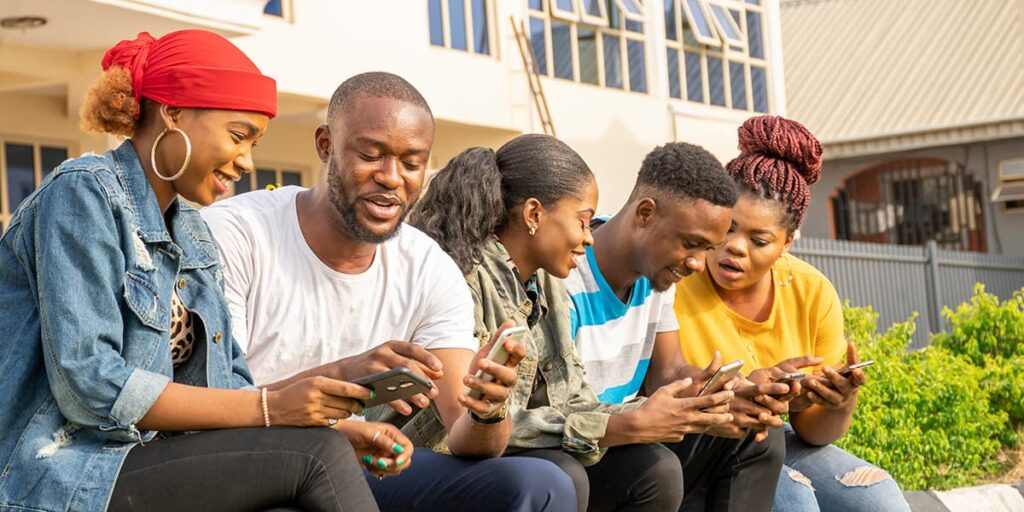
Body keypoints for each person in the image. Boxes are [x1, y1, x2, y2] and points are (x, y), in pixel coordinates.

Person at [0, 31, 395, 512]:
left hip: (145, 459)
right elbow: (90, 386)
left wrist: (330, 424)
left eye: (254, 141)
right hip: (63, 471)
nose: (247, 161)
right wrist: (275, 412)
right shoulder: (84, 193)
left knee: (309, 467)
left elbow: (226, 390)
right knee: (315, 458)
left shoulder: (195, 235)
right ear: (173, 112)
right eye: (238, 135)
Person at [201, 72, 576, 512]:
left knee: (542, 484)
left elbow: (468, 437)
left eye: (412, 163)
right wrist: (347, 373)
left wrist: (486, 410)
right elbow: (213, 404)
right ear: (325, 145)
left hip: (351, 461)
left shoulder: (428, 266)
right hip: (246, 464)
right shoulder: (234, 234)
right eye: (370, 155)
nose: (391, 177)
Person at [410, 134, 740, 512]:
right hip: (434, 459)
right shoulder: (464, 279)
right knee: (563, 471)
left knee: (654, 467)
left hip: (498, 449)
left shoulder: (547, 283)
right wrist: (626, 425)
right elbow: (468, 432)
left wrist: (647, 413)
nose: (589, 238)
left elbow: (572, 398)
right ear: (534, 215)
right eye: (583, 222)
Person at [674, 115, 911, 512]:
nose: (735, 247)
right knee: (793, 501)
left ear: (787, 242)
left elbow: (814, 435)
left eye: (759, 240)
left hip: (775, 438)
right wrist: (746, 388)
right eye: (728, 228)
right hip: (695, 441)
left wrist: (837, 403)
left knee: (879, 498)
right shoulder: (679, 274)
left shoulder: (811, 291)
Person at [564, 142, 788, 511]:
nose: (699, 263)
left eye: (708, 248)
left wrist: (716, 395)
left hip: (622, 443)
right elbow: (560, 418)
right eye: (692, 244)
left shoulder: (656, 276)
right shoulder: (567, 276)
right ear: (646, 214)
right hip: (575, 451)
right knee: (656, 468)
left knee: (753, 431)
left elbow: (668, 371)